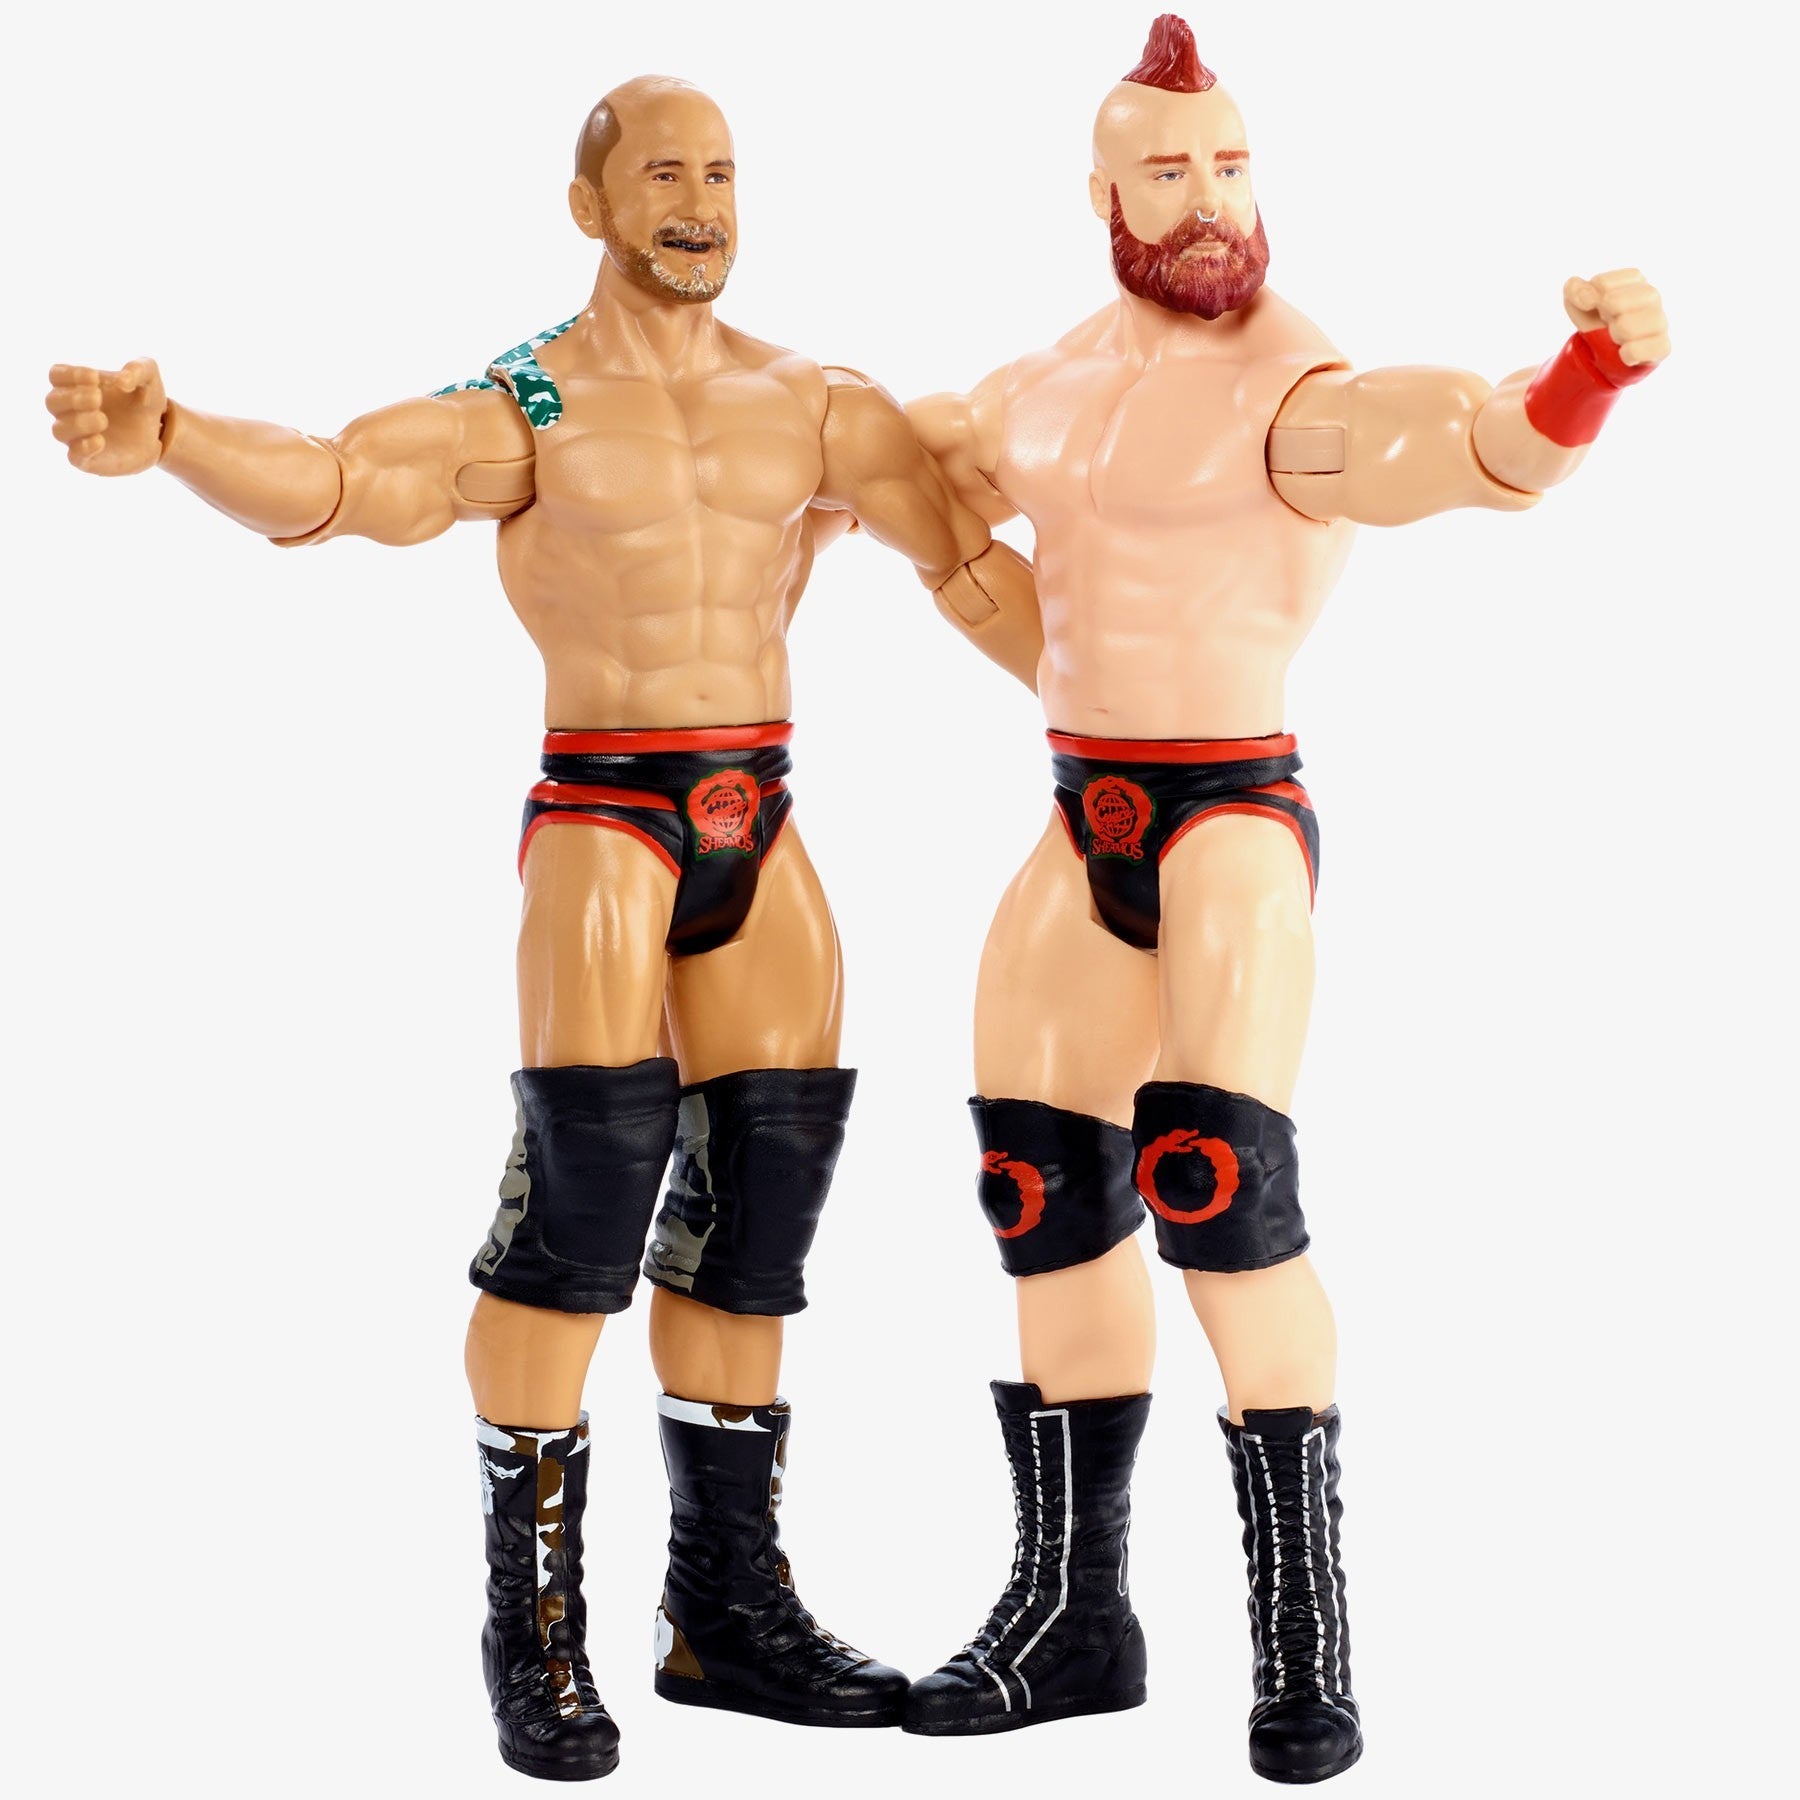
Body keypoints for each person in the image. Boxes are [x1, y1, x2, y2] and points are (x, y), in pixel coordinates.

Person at [44, 72, 1034, 1784]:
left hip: (761, 814)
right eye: (664, 174)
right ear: (591, 204)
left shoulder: (817, 402)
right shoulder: (531, 402)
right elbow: (338, 483)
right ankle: (535, 1634)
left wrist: (1148, 711)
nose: (699, 203)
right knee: (579, 1218)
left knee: (755, 1228)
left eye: (721, 172)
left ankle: (726, 1617)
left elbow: (970, 568)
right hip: (603, 820)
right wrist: (178, 434)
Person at [904, 15, 1668, 1783]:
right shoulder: (1037, 388)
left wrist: (1584, 374)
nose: (1210, 199)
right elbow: (908, 477)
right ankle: (1073, 1618)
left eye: (1233, 164)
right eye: (1172, 168)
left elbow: (1479, 448)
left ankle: (1303, 1642)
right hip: (1077, 805)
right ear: (1102, 193)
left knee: (1216, 1183)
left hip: (1230, 810)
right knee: (1039, 1189)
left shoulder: (1295, 392)